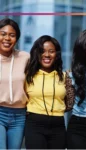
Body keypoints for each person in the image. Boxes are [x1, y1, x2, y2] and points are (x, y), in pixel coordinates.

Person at [25, 35, 74, 149]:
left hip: (58, 125)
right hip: (34, 124)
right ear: (36, 53)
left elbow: (70, 102)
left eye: (51, 51)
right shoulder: (28, 76)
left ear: (56, 54)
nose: (47, 55)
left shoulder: (64, 76)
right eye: (42, 51)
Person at [0, 18, 29, 149]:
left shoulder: (25, 57)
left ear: (16, 39)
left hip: (20, 115)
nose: (7, 38)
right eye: (3, 34)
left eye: (12, 35)